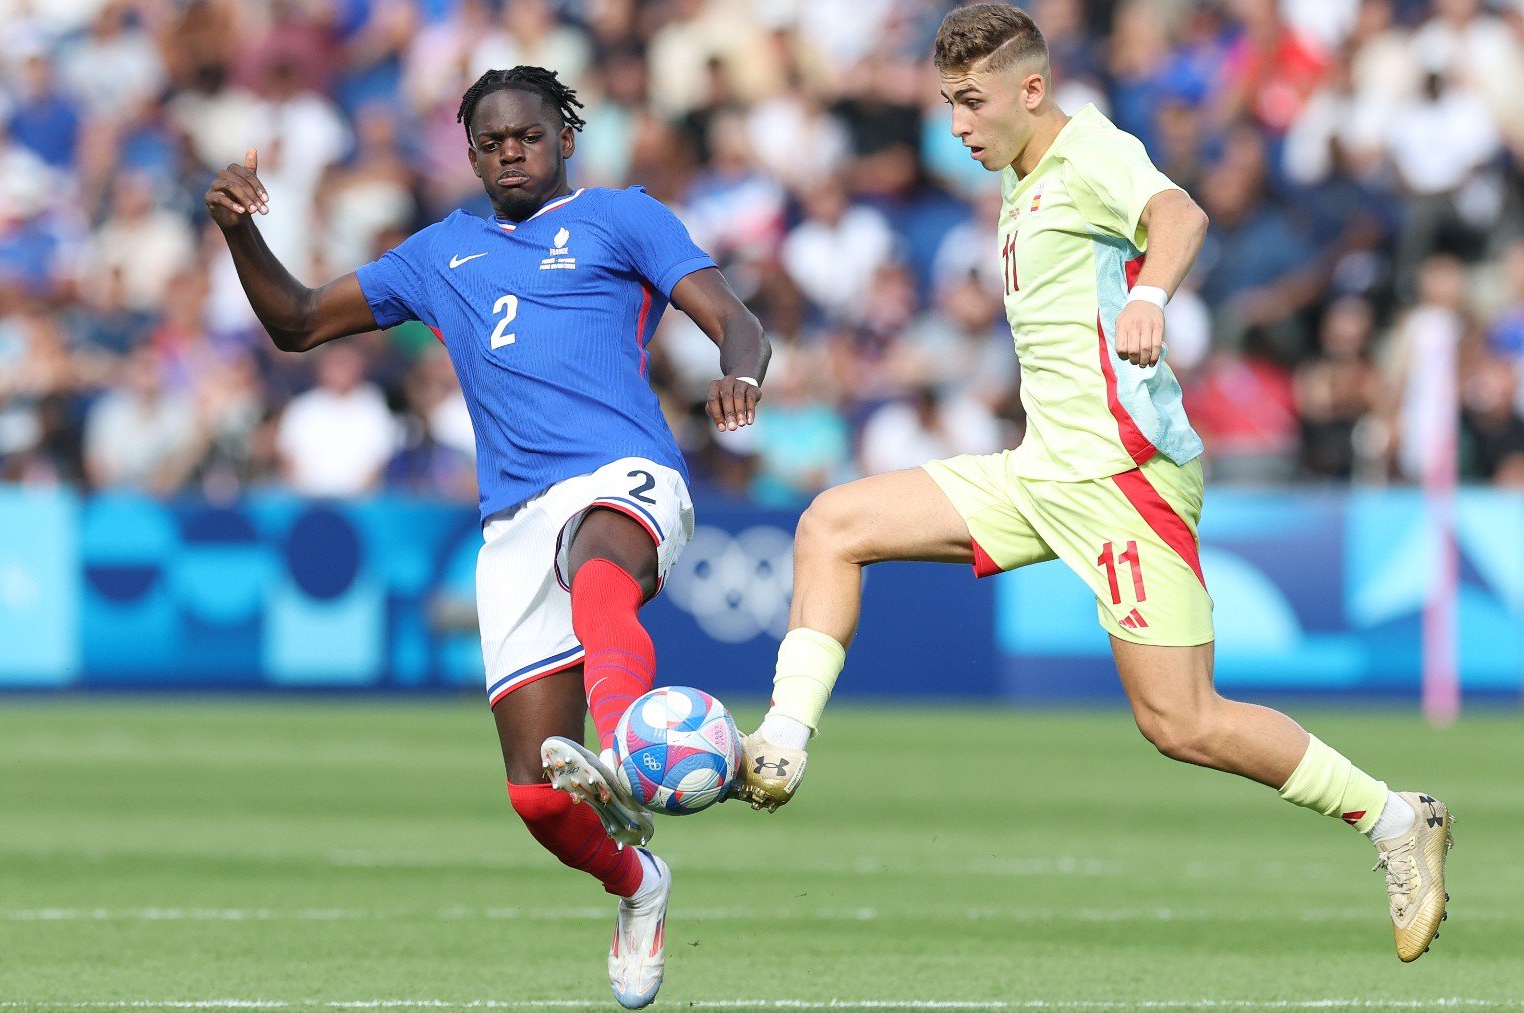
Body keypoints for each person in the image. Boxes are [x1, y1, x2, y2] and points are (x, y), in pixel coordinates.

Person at [729, 4, 1453, 965]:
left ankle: (1396, 817)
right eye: (948, 104)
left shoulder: (1091, 151)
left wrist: (1151, 292)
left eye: (972, 102)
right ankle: (780, 746)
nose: (957, 127)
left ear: (1032, 89)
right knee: (832, 524)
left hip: (1122, 480)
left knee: (1182, 722)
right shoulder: (1019, 172)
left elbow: (1178, 213)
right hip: (1042, 470)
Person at [206, 65, 768, 1009]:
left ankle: (632, 733)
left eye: (530, 135)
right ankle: (642, 887)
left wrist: (741, 374)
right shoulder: (438, 253)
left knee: (599, 566)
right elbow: (298, 322)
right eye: (493, 139)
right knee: (538, 798)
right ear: (469, 153)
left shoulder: (621, 216)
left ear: (565, 140)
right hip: (512, 522)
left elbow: (735, 320)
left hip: (625, 472)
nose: (513, 150)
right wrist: (238, 230)